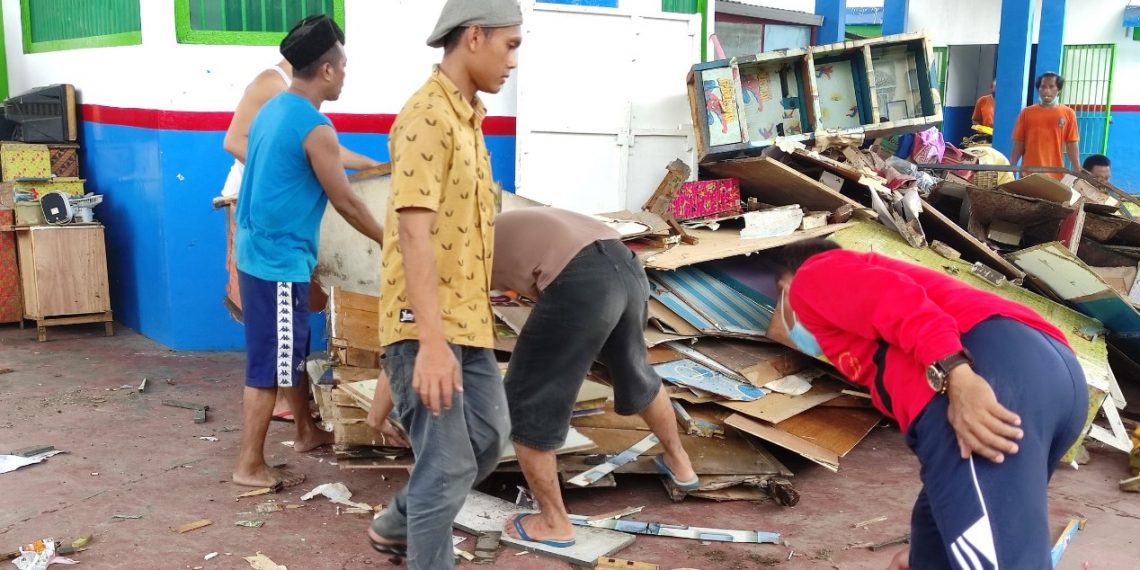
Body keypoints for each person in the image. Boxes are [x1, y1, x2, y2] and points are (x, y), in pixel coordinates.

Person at [767, 239, 1087, 569]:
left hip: (988, 374)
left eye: (778, 296)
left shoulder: (813, 275)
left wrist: (957, 375)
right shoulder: (855, 325)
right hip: (1055, 375)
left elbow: (895, 300)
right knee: (935, 545)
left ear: (785, 284)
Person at [366, 1, 523, 568]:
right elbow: (413, 234)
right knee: (451, 463)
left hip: (467, 319)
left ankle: (395, 524)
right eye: (510, 45)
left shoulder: (469, 118)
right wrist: (430, 344)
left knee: (490, 438)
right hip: (426, 325)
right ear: (474, 37)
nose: (514, 61)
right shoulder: (428, 117)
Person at [231, 15, 386, 489]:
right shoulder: (314, 126)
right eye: (344, 66)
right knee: (267, 367)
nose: (345, 75)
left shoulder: (275, 108)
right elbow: (346, 202)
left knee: (289, 351)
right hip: (277, 262)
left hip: (258, 250)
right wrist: (391, 241)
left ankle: (305, 431)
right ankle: (249, 465)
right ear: (327, 70)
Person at [489, 207, 697, 547]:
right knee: (634, 369)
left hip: (580, 279)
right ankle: (680, 464)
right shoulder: (500, 225)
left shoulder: (452, 251)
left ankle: (554, 523)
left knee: (528, 398)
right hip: (624, 264)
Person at [1011, 72, 1080, 180]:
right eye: (1043, 87)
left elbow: (1072, 144)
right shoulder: (1027, 113)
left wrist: (1077, 169)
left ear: (1059, 90)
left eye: (1051, 87)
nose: (1046, 91)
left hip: (1056, 174)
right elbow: (1019, 142)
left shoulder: (1068, 113)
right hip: (1029, 174)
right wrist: (1012, 166)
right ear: (1038, 89)